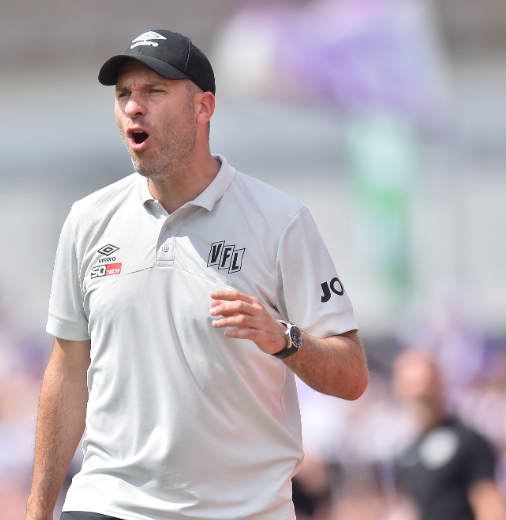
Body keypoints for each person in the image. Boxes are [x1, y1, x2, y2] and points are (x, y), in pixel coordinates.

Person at [26, 29, 369, 520]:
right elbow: (67, 370)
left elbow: (352, 376)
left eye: (154, 91)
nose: (133, 107)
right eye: (123, 94)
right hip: (108, 501)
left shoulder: (280, 221)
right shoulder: (88, 220)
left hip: (243, 510)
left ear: (203, 107)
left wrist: (284, 339)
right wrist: (38, 507)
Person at [393, 350, 505, 520]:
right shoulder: (407, 453)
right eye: (412, 390)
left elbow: (490, 507)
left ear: (440, 384)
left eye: (426, 387)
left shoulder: (468, 441)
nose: (421, 398)